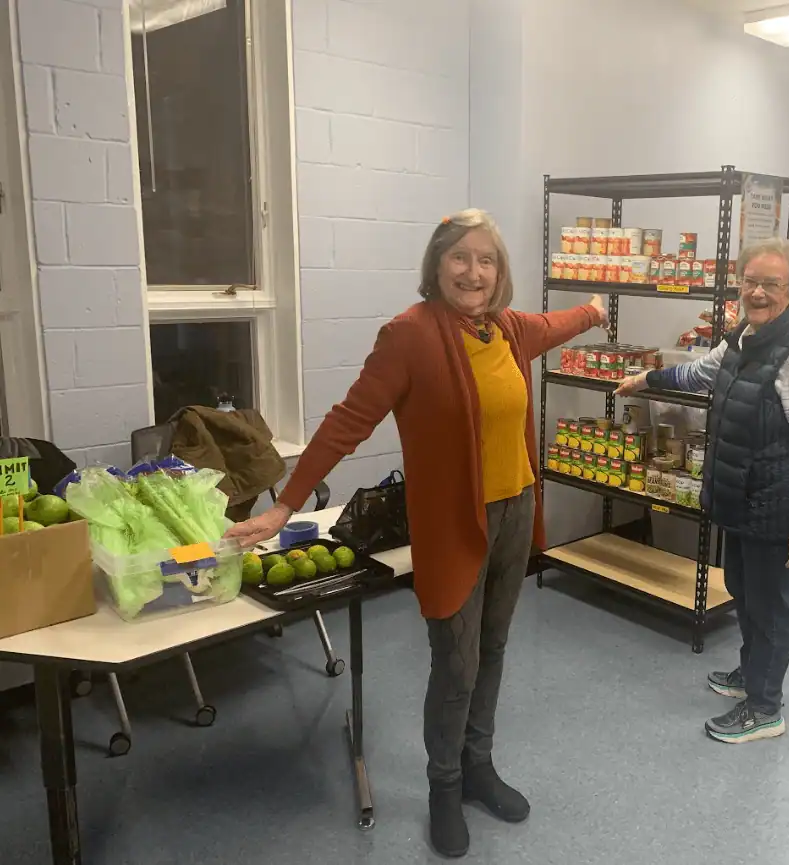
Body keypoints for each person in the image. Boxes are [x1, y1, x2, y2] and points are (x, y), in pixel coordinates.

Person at [225, 209, 608, 857]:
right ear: (435, 265)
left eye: (486, 259)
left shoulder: (508, 330)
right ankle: (444, 783)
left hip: (514, 512)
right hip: (454, 523)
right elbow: (348, 420)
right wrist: (283, 506)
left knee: (492, 647)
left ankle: (478, 767)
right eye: (459, 257)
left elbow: (554, 324)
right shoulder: (409, 335)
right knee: (455, 661)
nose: (473, 271)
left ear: (499, 271)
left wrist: (594, 309)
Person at [616, 238, 789, 745]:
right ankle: (750, 675)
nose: (757, 292)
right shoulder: (742, 338)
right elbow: (699, 373)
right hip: (742, 497)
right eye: (749, 281)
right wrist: (645, 378)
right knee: (743, 591)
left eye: (770, 284)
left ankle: (765, 708)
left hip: (777, 506)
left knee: (770, 606)